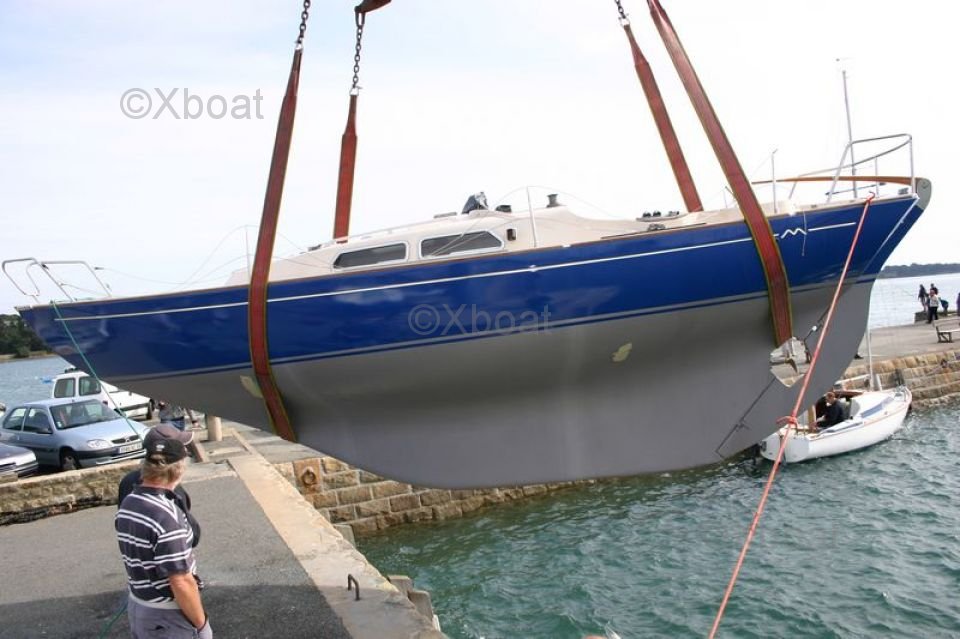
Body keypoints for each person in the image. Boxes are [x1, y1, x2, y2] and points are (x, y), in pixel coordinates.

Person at [116, 426, 212, 638]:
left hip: (140, 606)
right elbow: (180, 581)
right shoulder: (166, 516)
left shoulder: (130, 502)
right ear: (179, 469)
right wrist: (202, 625)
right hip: (167, 618)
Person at [118, 424, 202, 548]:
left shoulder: (127, 481)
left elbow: (121, 524)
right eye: (180, 447)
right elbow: (191, 534)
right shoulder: (171, 491)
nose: (185, 450)